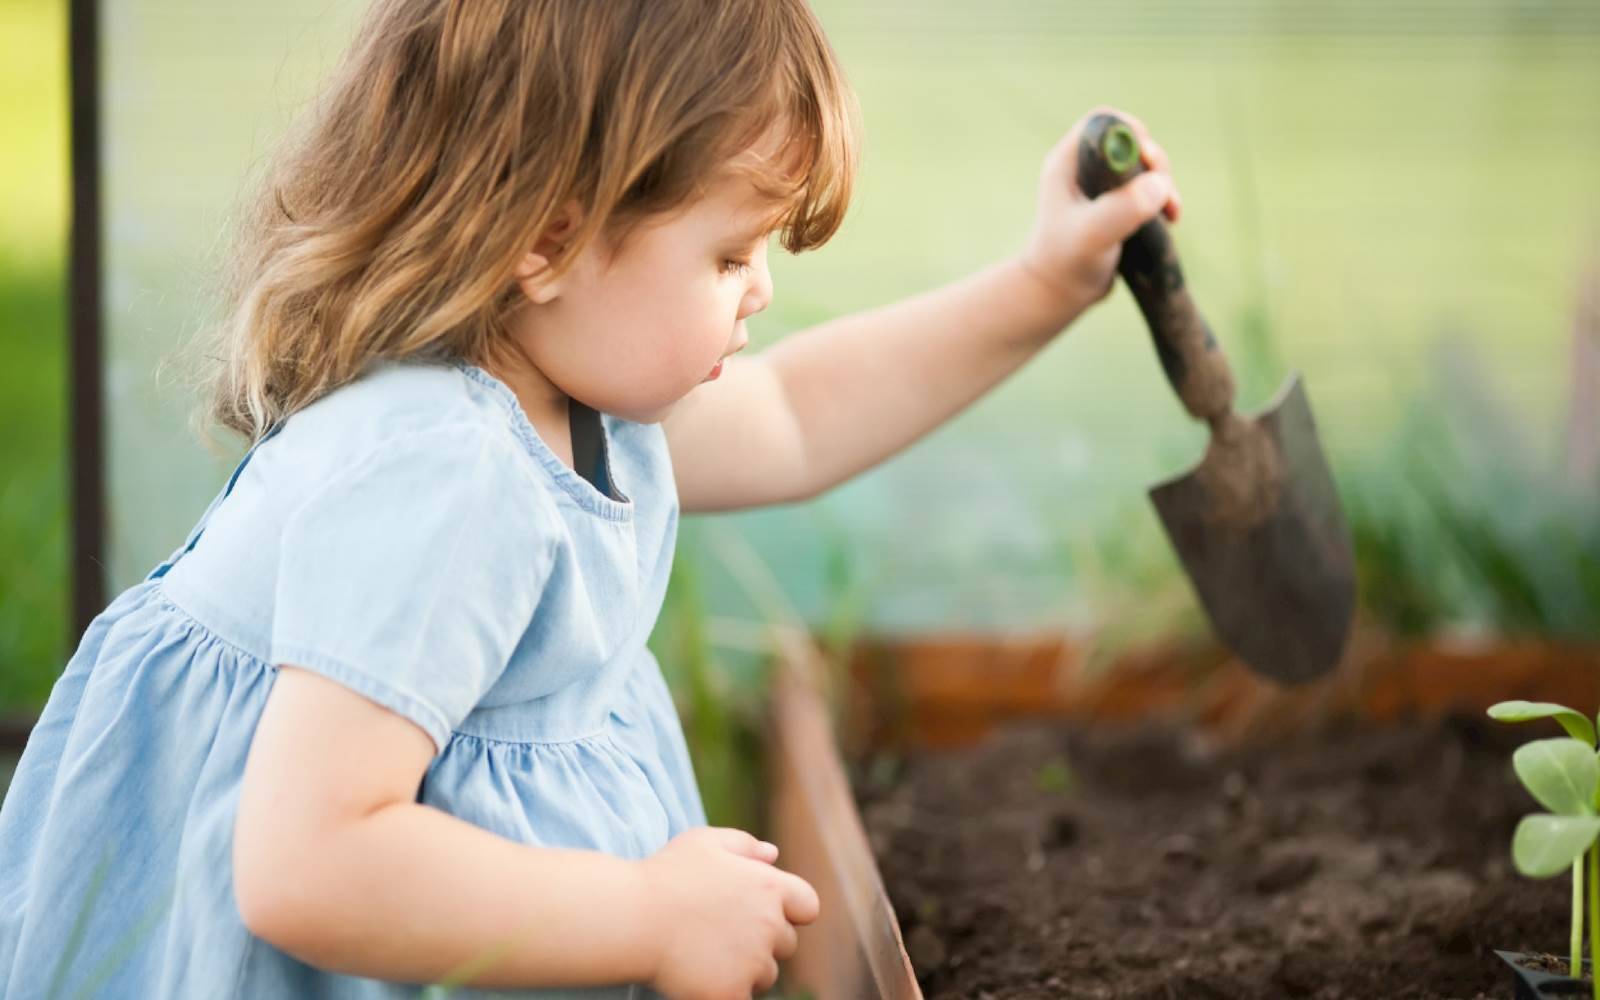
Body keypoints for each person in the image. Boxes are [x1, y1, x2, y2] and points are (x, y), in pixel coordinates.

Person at [0, 0, 1181, 997]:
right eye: (728, 256)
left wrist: (1042, 285)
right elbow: (309, 864)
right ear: (551, 238)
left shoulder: (571, 387)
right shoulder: (444, 474)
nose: (759, 290)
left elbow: (801, 417)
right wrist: (645, 912)